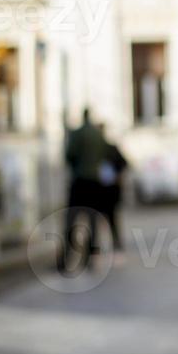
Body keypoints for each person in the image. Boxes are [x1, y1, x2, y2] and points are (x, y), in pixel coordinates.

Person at [61, 107, 107, 269]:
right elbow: (105, 155)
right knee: (93, 221)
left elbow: (69, 155)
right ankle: (91, 258)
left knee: (71, 221)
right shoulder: (98, 135)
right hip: (95, 182)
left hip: (80, 180)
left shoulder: (77, 133)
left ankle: (66, 258)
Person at [97, 123, 128, 257]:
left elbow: (124, 163)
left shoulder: (110, 148)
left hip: (109, 190)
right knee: (100, 219)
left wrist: (118, 177)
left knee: (111, 218)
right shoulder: (95, 151)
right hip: (100, 190)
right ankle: (98, 246)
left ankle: (116, 243)